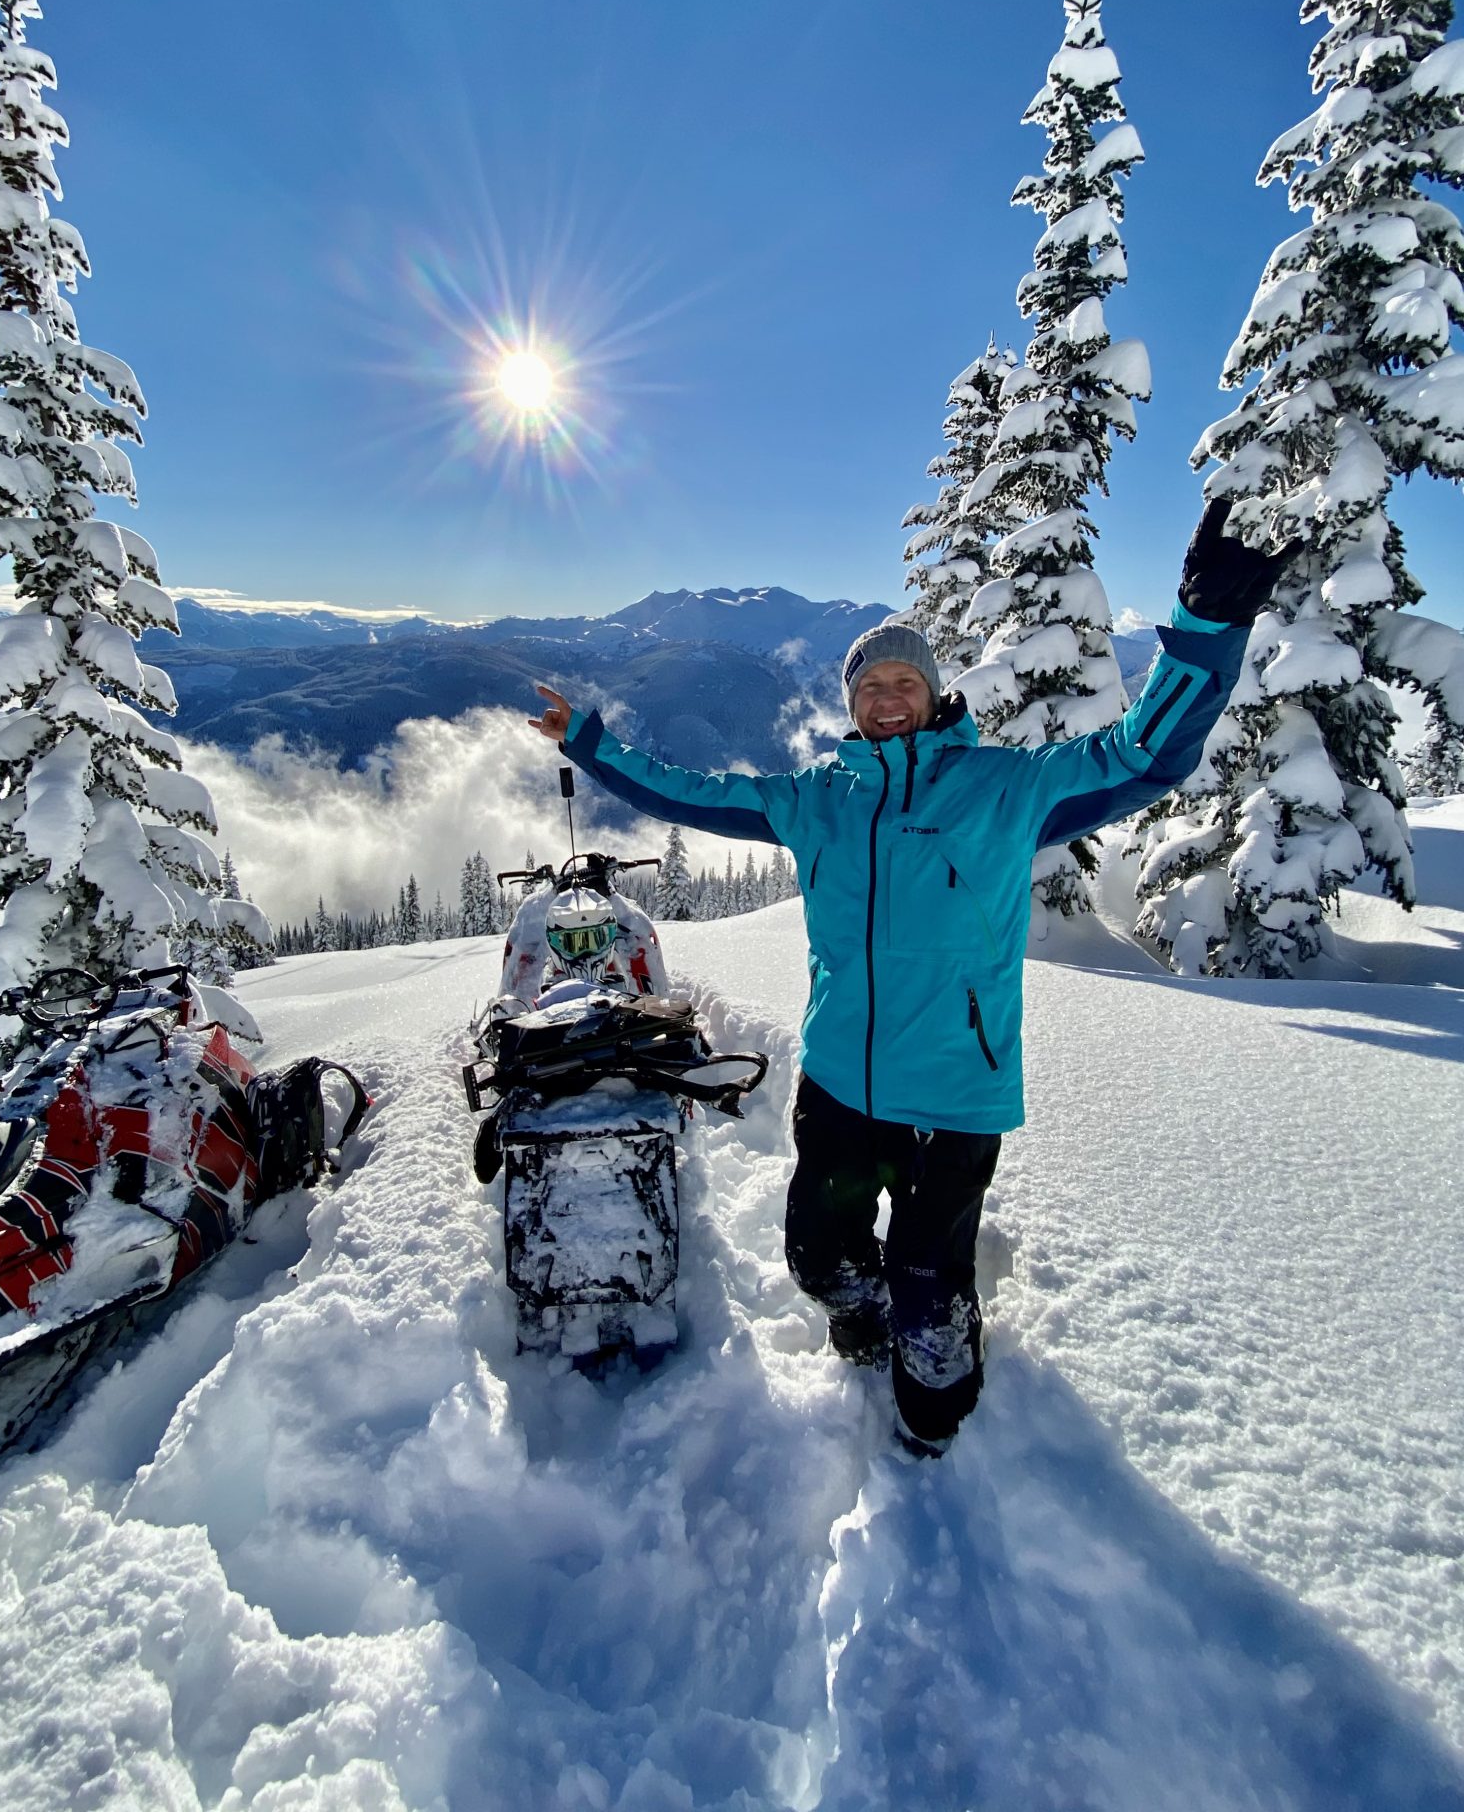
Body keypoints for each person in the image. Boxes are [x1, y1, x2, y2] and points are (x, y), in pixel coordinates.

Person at [527, 500, 1289, 1454]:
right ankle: (860, 1313)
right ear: (849, 706)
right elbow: (698, 792)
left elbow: (1143, 753)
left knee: (932, 1288)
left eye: (904, 682)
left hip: (954, 1094)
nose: (888, 699)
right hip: (842, 1078)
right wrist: (589, 742)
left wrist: (1210, 630)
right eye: (869, 687)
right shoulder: (819, 801)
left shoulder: (1006, 791)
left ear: (933, 696)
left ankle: (936, 1412)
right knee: (817, 1254)